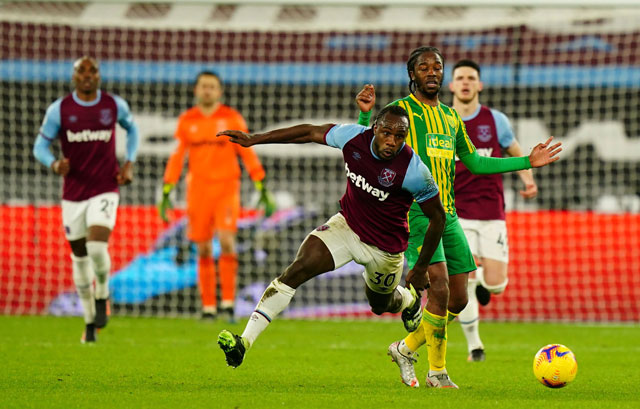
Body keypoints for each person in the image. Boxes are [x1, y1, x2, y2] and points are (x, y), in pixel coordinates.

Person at [355, 46, 561, 388]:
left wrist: (527, 161)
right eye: (424, 67)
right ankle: (437, 373)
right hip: (414, 214)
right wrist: (364, 117)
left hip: (448, 215)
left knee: (461, 298)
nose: (432, 72)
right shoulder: (399, 112)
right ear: (412, 75)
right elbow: (364, 145)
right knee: (439, 288)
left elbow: (477, 163)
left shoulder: (451, 118)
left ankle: (405, 348)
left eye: (437, 67)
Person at [215, 106, 446, 383]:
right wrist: (256, 138)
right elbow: (309, 131)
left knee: (380, 304)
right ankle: (244, 343)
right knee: (296, 271)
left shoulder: (413, 169)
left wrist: (420, 268)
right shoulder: (351, 137)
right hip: (346, 227)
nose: (392, 142)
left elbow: (438, 217)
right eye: (386, 133)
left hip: (385, 249)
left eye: (400, 136)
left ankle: (407, 301)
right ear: (375, 128)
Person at [32, 56, 140, 343]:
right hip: (73, 193)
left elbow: (133, 130)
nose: (88, 75)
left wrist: (129, 163)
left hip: (105, 187)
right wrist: (54, 164)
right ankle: (90, 321)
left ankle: (103, 292)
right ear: (74, 76)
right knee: (79, 255)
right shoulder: (60, 109)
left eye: (93, 70)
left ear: (99, 76)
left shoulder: (114, 105)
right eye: (82, 70)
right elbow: (39, 146)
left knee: (95, 245)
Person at [158, 71, 275, 322]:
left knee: (226, 242)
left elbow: (247, 152)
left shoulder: (230, 118)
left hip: (226, 188)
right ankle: (208, 306)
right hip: (197, 190)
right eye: (203, 86)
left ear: (219, 91)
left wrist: (260, 184)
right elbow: (178, 156)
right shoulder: (187, 120)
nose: (208, 90)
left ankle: (228, 303)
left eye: (212, 87)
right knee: (201, 248)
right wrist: (168, 187)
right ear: (196, 91)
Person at [449, 59, 538, 362]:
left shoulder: (495, 120)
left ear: (479, 84)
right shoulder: (442, 121)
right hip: (455, 214)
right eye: (460, 77)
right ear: (451, 85)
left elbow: (514, 150)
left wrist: (527, 178)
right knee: (465, 280)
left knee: (496, 285)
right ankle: (475, 346)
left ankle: (488, 284)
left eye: (470, 78)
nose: (465, 82)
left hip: (491, 214)